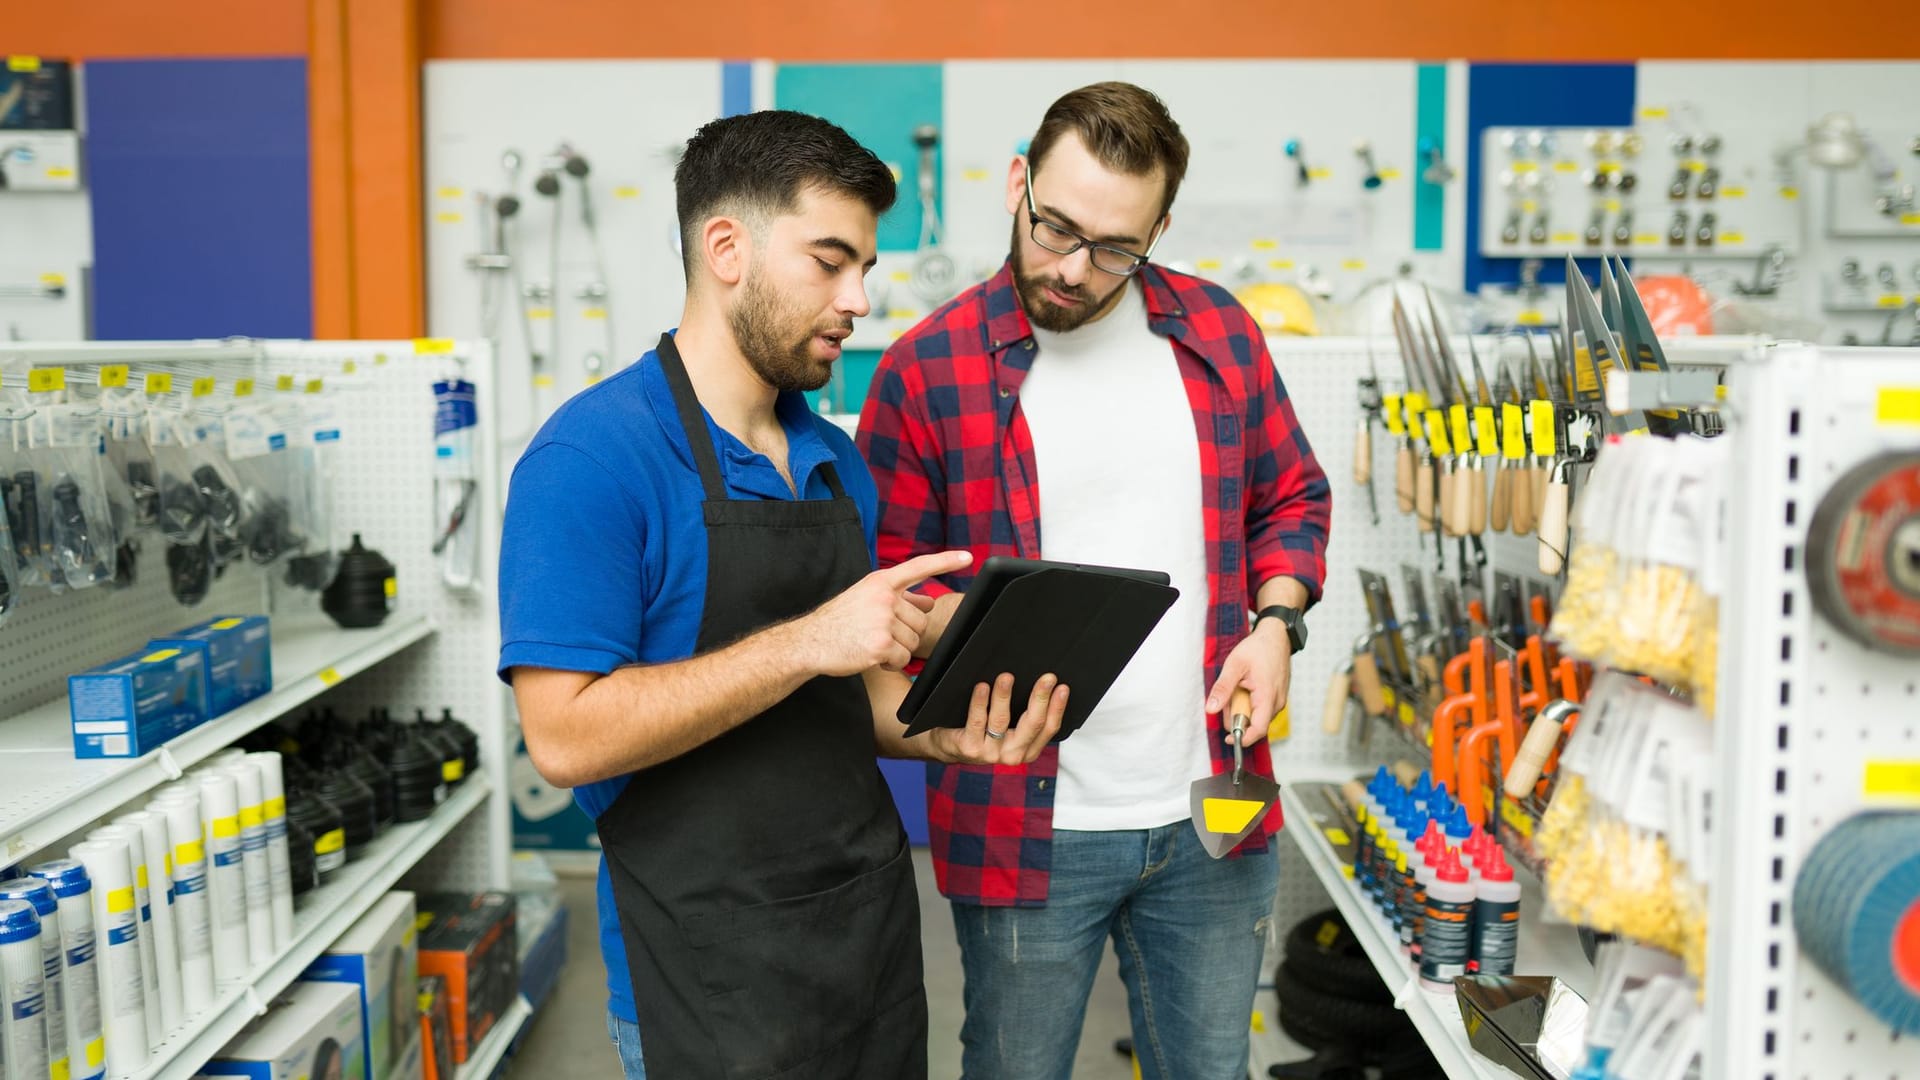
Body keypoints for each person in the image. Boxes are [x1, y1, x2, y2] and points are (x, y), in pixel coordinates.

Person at [497, 109, 1069, 1080]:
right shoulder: (592, 459)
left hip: (870, 943)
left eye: (867, 270)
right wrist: (808, 640)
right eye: (829, 261)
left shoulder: (834, 458)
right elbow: (564, 736)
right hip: (707, 975)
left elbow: (854, 697)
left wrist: (946, 731)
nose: (857, 300)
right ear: (728, 248)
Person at [856, 82, 1333, 1080]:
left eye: (1114, 248)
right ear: (1018, 183)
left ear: (1160, 228)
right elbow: (881, 598)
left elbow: (1291, 498)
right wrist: (973, 624)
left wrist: (1277, 625)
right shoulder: (925, 370)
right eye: (1055, 228)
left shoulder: (1219, 335)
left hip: (1211, 811)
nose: (1072, 270)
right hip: (1026, 822)